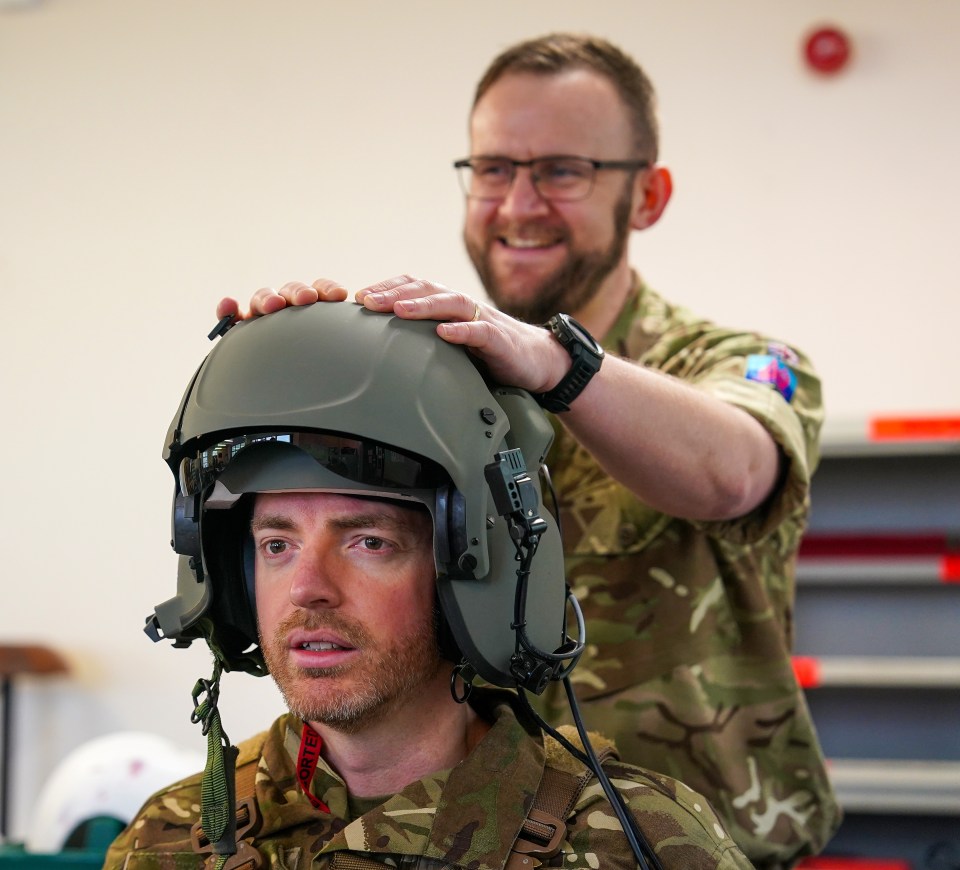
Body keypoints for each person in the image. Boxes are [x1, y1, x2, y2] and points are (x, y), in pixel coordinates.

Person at [215, 34, 841, 867]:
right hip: (482, 840)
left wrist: (560, 365)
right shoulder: (440, 379)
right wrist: (288, 359)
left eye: (561, 170)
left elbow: (734, 470)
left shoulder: (739, 365)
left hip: (698, 846)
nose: (517, 204)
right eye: (495, 169)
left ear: (647, 195)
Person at [104, 302, 753, 869]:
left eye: (368, 542)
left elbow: (742, 472)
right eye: (277, 545)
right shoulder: (175, 836)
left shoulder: (633, 839)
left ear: (466, 574)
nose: (307, 589)